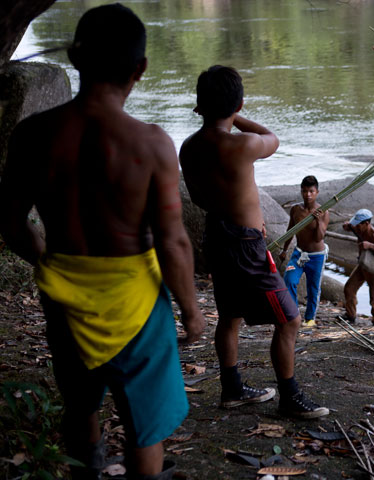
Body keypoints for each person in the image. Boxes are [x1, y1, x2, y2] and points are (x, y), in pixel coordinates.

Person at [0, 4, 206, 479]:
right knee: (145, 427)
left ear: (75, 58)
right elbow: (174, 243)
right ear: (141, 68)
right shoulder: (151, 143)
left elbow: (9, 220)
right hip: (136, 301)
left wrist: (45, 259)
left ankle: (87, 471)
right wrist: (192, 312)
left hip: (64, 293)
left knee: (80, 404)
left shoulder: (33, 134)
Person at [179, 65, 329, 419]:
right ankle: (289, 397)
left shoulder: (188, 147)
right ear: (239, 104)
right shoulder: (241, 144)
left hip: (216, 235)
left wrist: (226, 112)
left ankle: (232, 389)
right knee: (290, 320)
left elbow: (199, 198)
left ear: (198, 106)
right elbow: (272, 138)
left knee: (230, 315)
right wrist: (238, 117)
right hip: (245, 244)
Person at [279, 175, 330, 327]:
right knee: (289, 279)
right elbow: (290, 230)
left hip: (316, 256)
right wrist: (284, 249)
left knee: (313, 288)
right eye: (305, 191)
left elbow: (319, 237)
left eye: (311, 191)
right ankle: (294, 314)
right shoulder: (296, 209)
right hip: (299, 253)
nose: (308, 194)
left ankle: (310, 319)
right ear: (301, 191)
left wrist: (317, 221)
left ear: (317, 192)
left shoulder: (323, 212)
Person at [340, 209, 374, 326]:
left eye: (358, 225)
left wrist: (370, 245)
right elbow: (348, 227)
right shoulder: (357, 227)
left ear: (366, 224)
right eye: (355, 224)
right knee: (349, 288)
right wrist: (346, 226)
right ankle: (350, 315)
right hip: (363, 264)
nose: (356, 227)